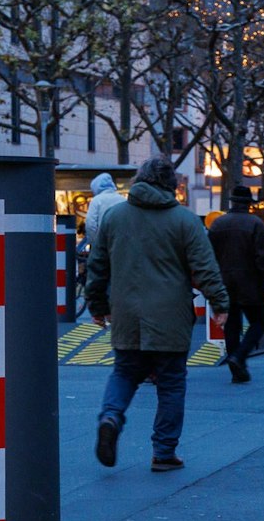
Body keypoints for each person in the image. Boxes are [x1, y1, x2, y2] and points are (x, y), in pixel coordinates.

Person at [87, 157, 229, 473]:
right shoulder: (185, 221)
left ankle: (111, 416)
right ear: (172, 186)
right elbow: (205, 268)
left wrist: (97, 305)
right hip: (171, 317)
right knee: (171, 383)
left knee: (124, 372)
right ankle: (164, 453)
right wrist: (220, 303)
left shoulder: (114, 217)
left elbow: (98, 266)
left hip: (126, 315)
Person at [206, 185, 264, 384]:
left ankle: (236, 367)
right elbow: (263, 258)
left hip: (224, 283)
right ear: (248, 204)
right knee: (258, 323)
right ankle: (239, 357)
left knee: (231, 325)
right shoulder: (256, 224)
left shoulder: (218, 224)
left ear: (232, 202)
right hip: (251, 283)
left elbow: (208, 256)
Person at [85, 173, 125, 239]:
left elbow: (90, 224)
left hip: (103, 241)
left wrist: (94, 241)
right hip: (120, 242)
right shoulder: (123, 199)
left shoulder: (96, 200)